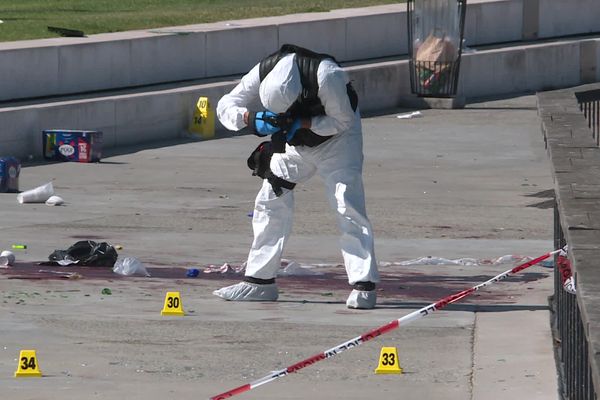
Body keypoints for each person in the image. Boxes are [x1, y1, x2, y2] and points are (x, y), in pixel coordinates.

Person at [214, 44, 380, 309]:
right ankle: (260, 282)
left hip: (338, 143)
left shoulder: (328, 75)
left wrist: (303, 123)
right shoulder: (265, 68)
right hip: (295, 145)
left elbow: (343, 121)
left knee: (346, 204)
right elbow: (225, 105)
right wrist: (249, 118)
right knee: (271, 196)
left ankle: (364, 286)